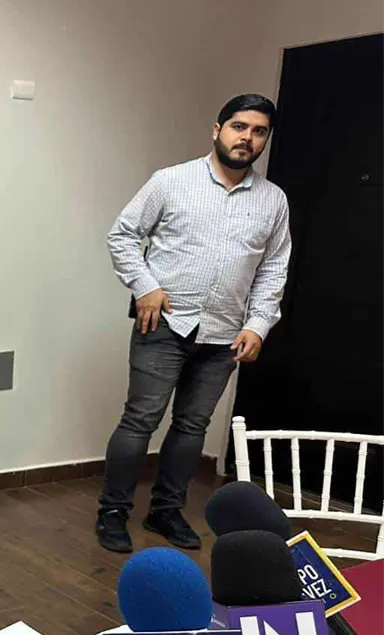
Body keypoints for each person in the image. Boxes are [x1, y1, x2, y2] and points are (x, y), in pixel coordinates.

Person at [96, 94, 292, 553]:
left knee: (192, 426)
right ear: (217, 129)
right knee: (140, 420)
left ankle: (166, 511)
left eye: (259, 131)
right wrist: (144, 286)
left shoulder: (273, 201)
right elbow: (122, 235)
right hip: (163, 324)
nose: (247, 138)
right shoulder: (171, 181)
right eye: (239, 127)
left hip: (225, 333)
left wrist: (258, 325)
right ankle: (112, 512)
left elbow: (274, 267)